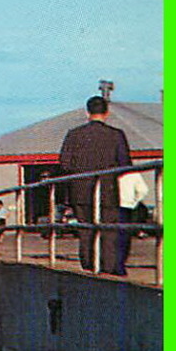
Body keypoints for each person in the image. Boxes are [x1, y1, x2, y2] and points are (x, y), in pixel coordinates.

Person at [59, 96, 131, 275]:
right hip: (109, 191)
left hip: (81, 190)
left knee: (85, 228)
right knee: (108, 229)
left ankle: (88, 263)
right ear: (107, 113)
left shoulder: (73, 134)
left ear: (87, 112)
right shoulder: (116, 135)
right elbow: (125, 164)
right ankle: (108, 265)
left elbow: (64, 164)